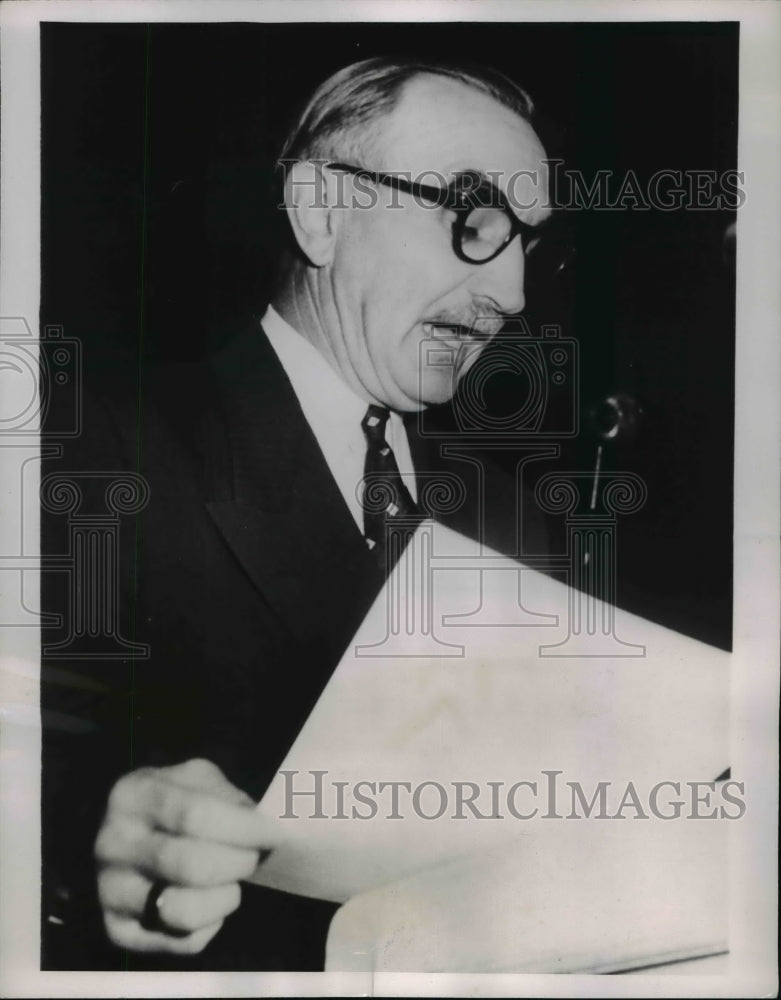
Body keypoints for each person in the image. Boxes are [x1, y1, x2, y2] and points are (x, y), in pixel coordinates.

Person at [41, 55, 551, 970]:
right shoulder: (85, 449)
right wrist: (85, 846)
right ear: (321, 211)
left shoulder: (512, 523)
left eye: (528, 242)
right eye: (475, 222)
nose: (510, 297)